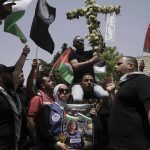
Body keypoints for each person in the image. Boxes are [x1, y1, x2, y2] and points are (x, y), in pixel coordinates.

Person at [106, 56, 150, 150]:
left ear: (130, 65)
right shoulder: (124, 84)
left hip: (133, 144)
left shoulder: (142, 80)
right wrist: (111, 92)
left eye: (119, 64)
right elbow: (117, 107)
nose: (115, 66)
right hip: (118, 143)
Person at [0, 45, 30, 150]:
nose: (12, 75)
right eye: (8, 73)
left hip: (15, 144)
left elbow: (17, 69)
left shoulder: (10, 91)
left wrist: (24, 53)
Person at [68, 35, 108, 103]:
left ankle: (103, 113)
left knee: (105, 96)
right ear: (74, 45)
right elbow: (75, 66)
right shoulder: (72, 54)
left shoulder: (89, 53)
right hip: (78, 83)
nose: (81, 42)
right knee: (77, 99)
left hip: (92, 83)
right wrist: (90, 61)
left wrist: (96, 34)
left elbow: (100, 47)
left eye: (82, 40)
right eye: (78, 41)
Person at [36, 84, 71, 150]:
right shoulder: (48, 108)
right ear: (55, 92)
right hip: (51, 146)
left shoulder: (73, 109)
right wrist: (56, 143)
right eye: (61, 90)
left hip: (69, 145)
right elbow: (42, 129)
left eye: (67, 90)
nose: (64, 92)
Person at [27, 73, 55, 145]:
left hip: (53, 138)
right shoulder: (37, 99)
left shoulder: (53, 98)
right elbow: (30, 119)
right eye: (49, 81)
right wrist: (35, 136)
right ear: (42, 85)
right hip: (43, 140)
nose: (52, 82)